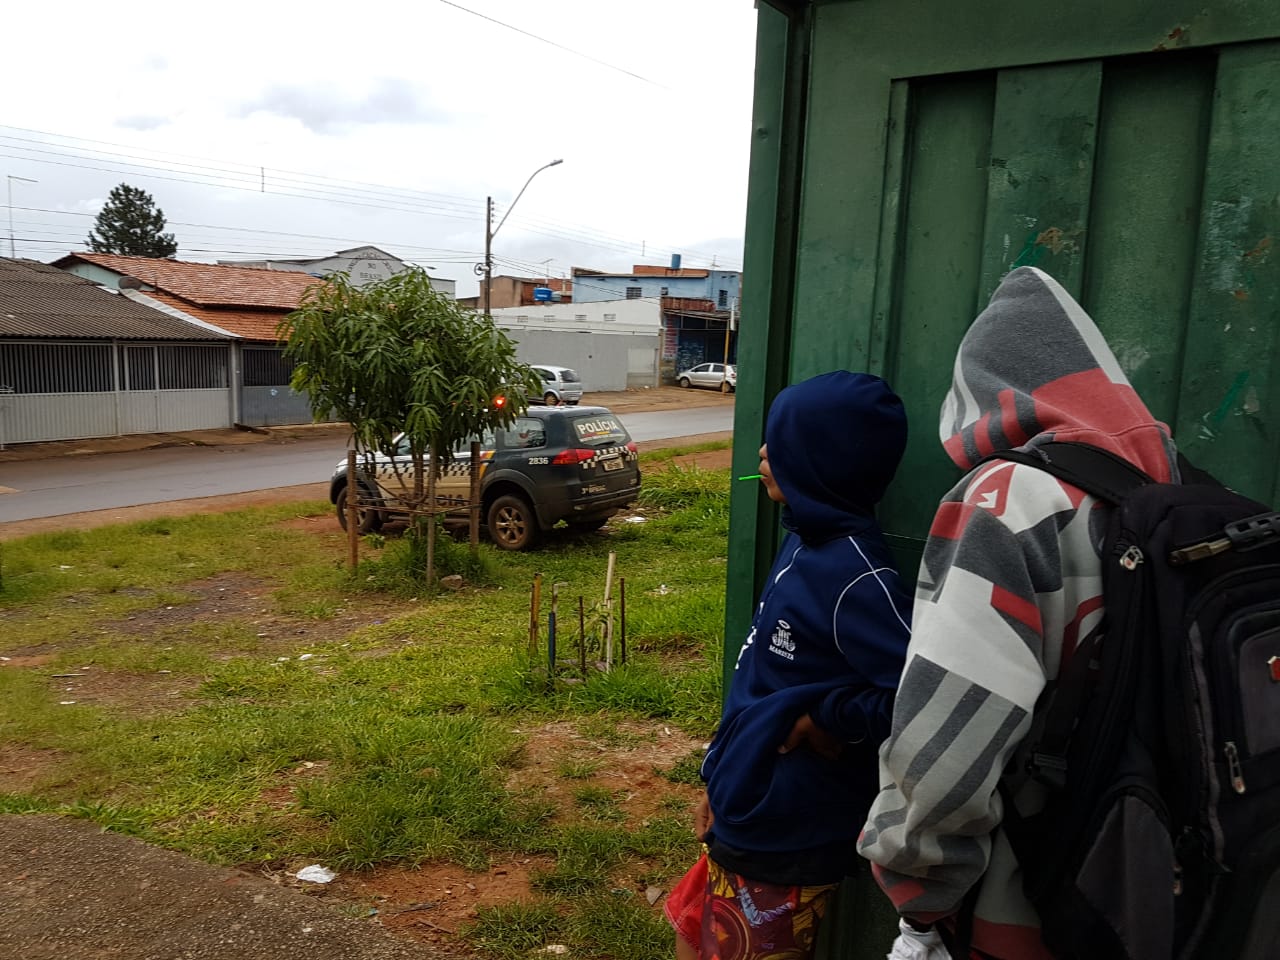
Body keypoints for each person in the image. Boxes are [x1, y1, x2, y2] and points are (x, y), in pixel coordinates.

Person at [858, 266, 1182, 960]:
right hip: (1156, 885)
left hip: (1028, 900)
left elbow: (948, 742)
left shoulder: (1009, 501)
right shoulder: (1170, 491)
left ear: (979, 392)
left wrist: (920, 901)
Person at [666, 370, 912, 960]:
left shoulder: (859, 580)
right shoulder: (802, 541)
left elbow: (923, 696)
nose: (762, 452)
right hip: (748, 804)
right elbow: (762, 678)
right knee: (692, 937)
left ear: (824, 460)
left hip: (788, 829)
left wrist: (826, 718)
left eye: (782, 442)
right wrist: (719, 777)